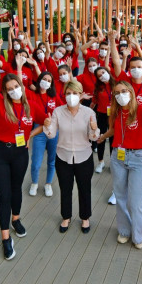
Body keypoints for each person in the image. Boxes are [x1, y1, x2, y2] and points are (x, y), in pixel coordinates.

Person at [0, 71, 46, 260]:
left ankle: (16, 219)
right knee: (3, 195)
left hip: (20, 153)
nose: (14, 91)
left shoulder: (32, 106)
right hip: (0, 153)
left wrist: (30, 135)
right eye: (9, 89)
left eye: (16, 87)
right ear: (4, 91)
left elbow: (46, 121)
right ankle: (5, 238)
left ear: (21, 86)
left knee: (16, 189)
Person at [97, 81, 142, 249]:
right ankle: (124, 230)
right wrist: (103, 136)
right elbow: (114, 129)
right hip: (118, 157)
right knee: (120, 197)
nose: (120, 95)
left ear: (130, 92)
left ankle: (139, 235)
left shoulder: (141, 108)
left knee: (135, 201)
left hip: (137, 157)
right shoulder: (115, 111)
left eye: (123, 91)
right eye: (116, 93)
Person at [44, 80, 100, 233]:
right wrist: (47, 125)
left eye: (74, 93)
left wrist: (95, 130)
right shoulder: (57, 111)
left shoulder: (89, 113)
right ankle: (66, 216)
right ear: (64, 94)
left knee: (84, 188)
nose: (71, 96)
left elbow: (93, 137)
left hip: (84, 156)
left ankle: (85, 217)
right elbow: (51, 135)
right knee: (65, 188)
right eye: (68, 93)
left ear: (80, 94)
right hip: (63, 156)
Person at [28, 72, 61, 197]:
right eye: (44, 79)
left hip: (53, 130)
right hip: (39, 130)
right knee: (36, 161)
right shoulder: (32, 94)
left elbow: (63, 108)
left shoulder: (53, 96)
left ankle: (48, 184)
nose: (46, 82)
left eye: (49, 80)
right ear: (39, 80)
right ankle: (34, 183)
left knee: (52, 160)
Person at [92, 66, 116, 175]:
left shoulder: (116, 84)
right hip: (101, 114)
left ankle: (113, 162)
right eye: (99, 75)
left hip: (114, 115)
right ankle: (100, 161)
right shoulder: (98, 87)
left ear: (107, 71)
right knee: (101, 137)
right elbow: (94, 102)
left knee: (113, 139)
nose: (102, 76)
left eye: (103, 73)